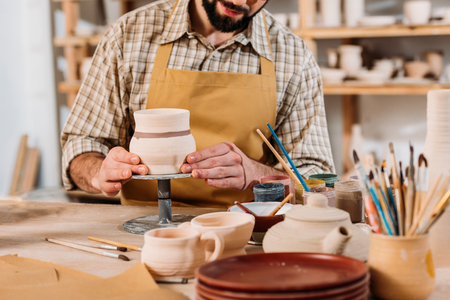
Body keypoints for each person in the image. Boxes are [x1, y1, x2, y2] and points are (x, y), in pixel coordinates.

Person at [61, 0, 335, 208]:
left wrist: (258, 174)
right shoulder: (128, 36)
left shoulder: (293, 55)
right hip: (143, 230)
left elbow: (319, 182)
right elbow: (83, 143)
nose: (241, 1)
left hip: (247, 232)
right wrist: (98, 172)